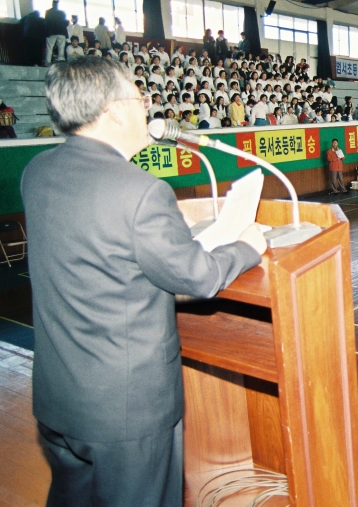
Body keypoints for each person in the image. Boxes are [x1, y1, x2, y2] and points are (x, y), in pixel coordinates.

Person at [21, 57, 266, 507]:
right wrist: (248, 245)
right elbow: (198, 276)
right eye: (139, 97)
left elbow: (98, 251)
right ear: (113, 111)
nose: (146, 106)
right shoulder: (140, 190)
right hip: (125, 409)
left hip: (60, 396)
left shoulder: (37, 172)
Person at [44, 0, 68, 65]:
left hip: (51, 32)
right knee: (61, 48)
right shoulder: (62, 13)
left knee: (50, 47)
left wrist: (46, 32)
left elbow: (46, 23)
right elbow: (65, 22)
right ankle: (61, 61)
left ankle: (48, 62)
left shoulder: (48, 12)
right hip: (62, 32)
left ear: (52, 4)